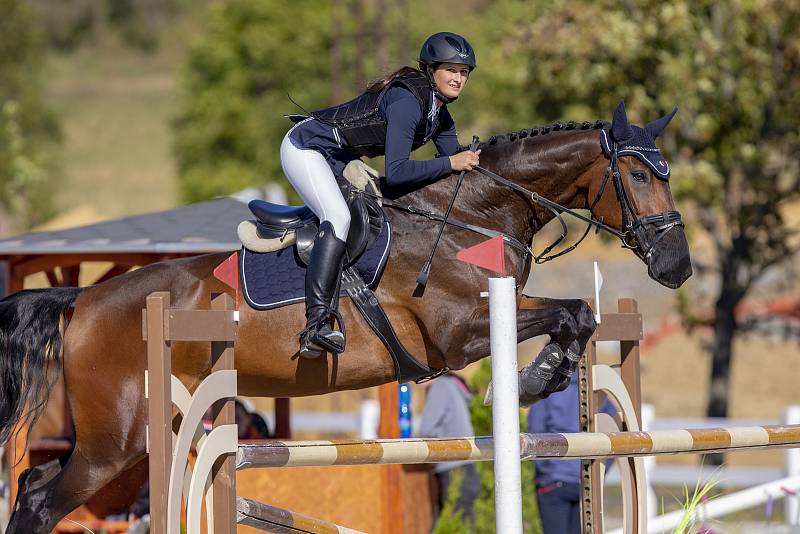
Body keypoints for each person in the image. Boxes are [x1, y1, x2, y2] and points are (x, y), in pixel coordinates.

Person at [280, 32, 482, 358]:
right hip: (306, 147)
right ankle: (316, 325)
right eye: (451, 70)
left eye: (464, 72)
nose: (459, 78)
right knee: (339, 218)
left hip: (340, 158)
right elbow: (400, 172)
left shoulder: (439, 116)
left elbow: (456, 170)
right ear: (430, 70)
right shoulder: (406, 102)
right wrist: (450, 162)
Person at [527, 373, 616, 534]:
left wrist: (546, 471)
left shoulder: (546, 392)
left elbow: (535, 433)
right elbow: (614, 435)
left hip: (553, 481)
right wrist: (599, 472)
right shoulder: (599, 392)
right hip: (585, 482)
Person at [419, 374, 480, 527]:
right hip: (464, 469)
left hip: (454, 471)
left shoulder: (441, 387)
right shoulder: (451, 385)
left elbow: (426, 429)